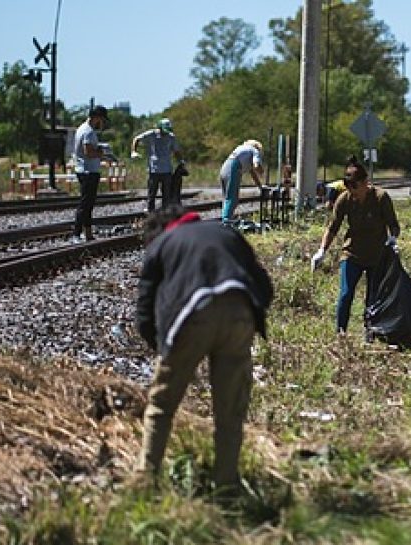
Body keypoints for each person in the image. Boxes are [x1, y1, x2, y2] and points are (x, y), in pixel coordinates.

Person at [134, 205, 274, 497]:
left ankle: (145, 481)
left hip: (191, 315)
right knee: (230, 410)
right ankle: (226, 485)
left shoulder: (161, 244)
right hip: (240, 310)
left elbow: (144, 309)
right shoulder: (226, 233)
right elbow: (264, 285)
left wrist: (163, 350)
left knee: (161, 405)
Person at [310, 156, 400, 334]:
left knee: (373, 297)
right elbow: (333, 227)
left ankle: (370, 332)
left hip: (377, 255)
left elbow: (394, 226)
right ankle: (341, 333)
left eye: (355, 187)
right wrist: (322, 250)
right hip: (352, 253)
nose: (353, 191)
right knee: (345, 294)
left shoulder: (381, 198)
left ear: (366, 182)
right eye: (349, 187)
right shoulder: (344, 199)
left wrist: (393, 240)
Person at [72, 105, 110, 241]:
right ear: (97, 118)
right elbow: (88, 152)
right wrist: (101, 153)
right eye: (102, 120)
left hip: (84, 169)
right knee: (85, 204)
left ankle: (88, 233)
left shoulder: (81, 129)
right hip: (89, 171)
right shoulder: (88, 132)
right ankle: (76, 233)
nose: (102, 123)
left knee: (88, 204)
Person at [131, 118, 182, 212]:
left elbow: (176, 151)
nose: (166, 133)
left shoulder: (171, 137)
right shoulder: (151, 134)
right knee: (152, 193)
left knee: (166, 194)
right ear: (160, 127)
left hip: (167, 170)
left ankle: (165, 212)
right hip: (154, 169)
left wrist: (181, 161)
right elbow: (136, 139)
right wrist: (134, 151)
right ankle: (150, 212)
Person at [219, 139, 265, 221]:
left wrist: (260, 187)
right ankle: (226, 221)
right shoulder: (254, 150)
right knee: (232, 198)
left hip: (224, 168)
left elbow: (253, 173)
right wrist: (262, 171)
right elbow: (256, 165)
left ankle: (225, 218)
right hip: (233, 169)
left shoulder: (242, 149)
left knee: (226, 198)